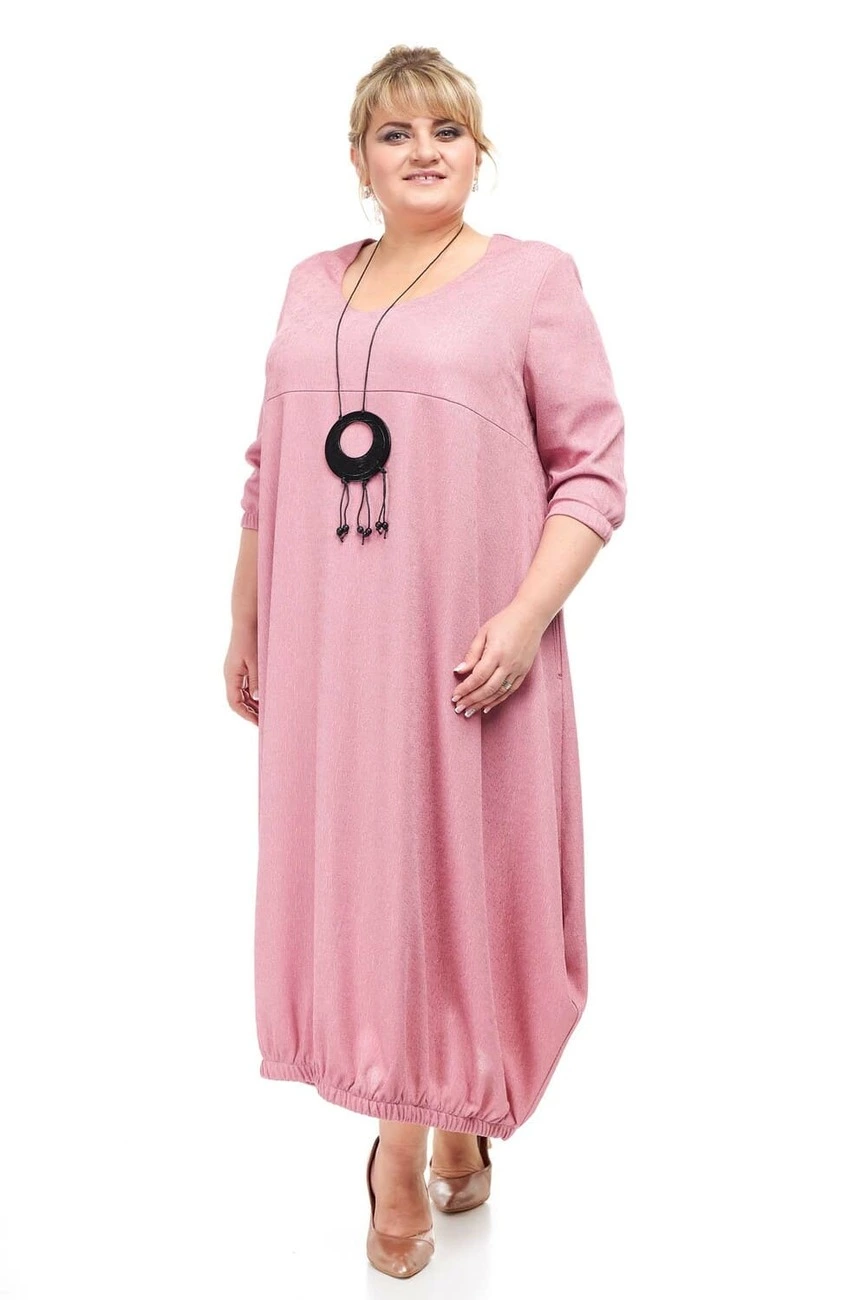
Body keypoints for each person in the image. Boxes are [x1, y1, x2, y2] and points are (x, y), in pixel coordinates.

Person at [224, 44, 627, 1279]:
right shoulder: (311, 284)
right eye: (396, 133)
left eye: (447, 129)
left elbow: (593, 473)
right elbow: (267, 470)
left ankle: (418, 1132)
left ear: (478, 150)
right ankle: (417, 1132)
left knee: (453, 879)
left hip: (464, 646)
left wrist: (525, 615)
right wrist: (245, 618)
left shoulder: (533, 281)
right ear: (360, 160)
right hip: (330, 649)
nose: (424, 151)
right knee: (368, 883)